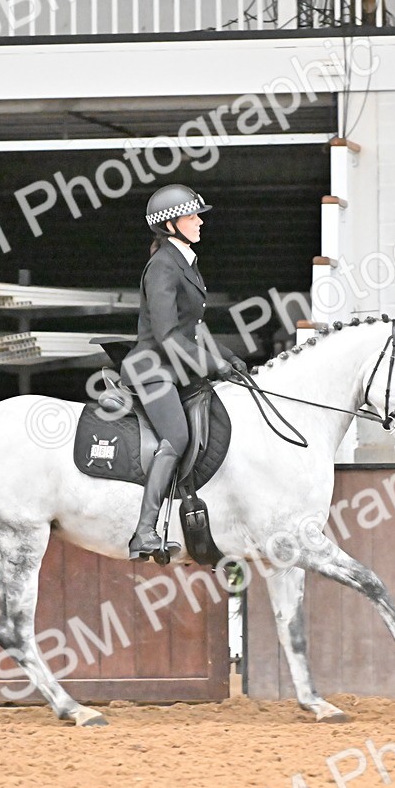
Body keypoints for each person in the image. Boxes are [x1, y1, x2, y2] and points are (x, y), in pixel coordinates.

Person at [121, 184, 246, 562]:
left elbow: (193, 328)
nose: (199, 222)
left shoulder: (183, 261)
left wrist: (229, 357)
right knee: (176, 435)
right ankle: (144, 532)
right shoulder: (162, 267)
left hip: (175, 366)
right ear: (171, 224)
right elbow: (168, 335)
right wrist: (214, 365)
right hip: (152, 368)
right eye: (192, 216)